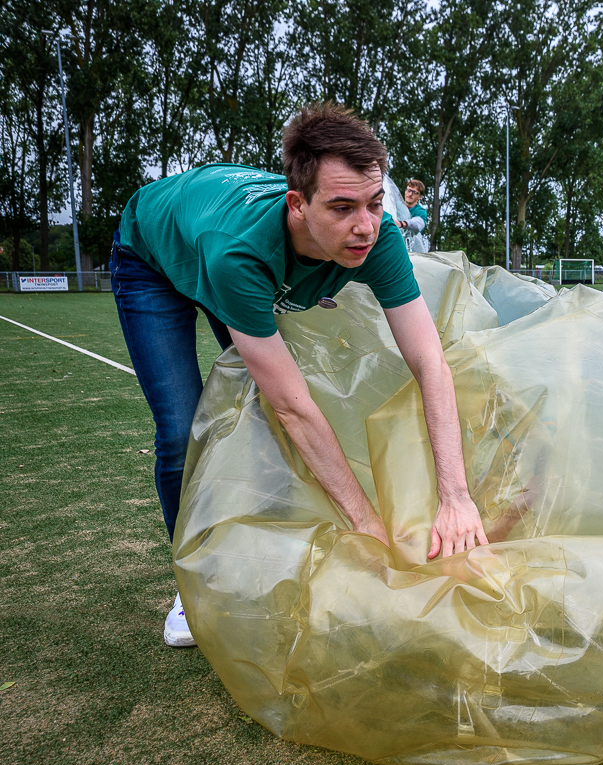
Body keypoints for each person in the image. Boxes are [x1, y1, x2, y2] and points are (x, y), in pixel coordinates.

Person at [110, 104, 486, 648]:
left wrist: (456, 497)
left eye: (375, 204)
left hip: (219, 236)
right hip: (154, 256)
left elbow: (430, 362)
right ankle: (190, 582)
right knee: (180, 429)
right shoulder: (238, 255)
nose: (364, 226)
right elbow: (294, 405)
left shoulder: (376, 238)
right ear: (299, 205)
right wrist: (367, 526)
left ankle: (275, 544)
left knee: (261, 413)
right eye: (341, 207)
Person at [396, 179, 430, 253]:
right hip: (394, 245)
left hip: (412, 251)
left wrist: (402, 223)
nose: (410, 194)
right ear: (405, 191)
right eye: (409, 190)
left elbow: (419, 224)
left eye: (414, 192)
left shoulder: (420, 211)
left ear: (420, 196)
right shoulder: (395, 205)